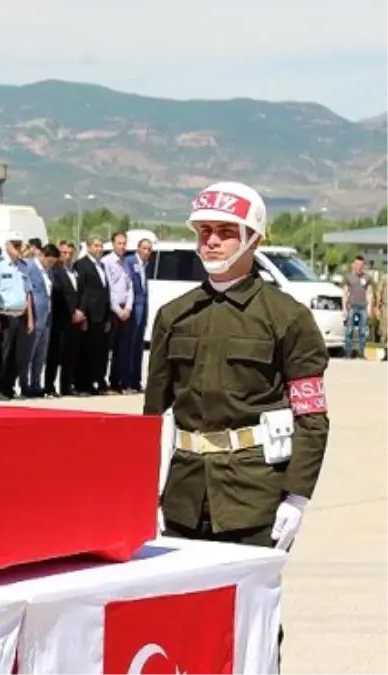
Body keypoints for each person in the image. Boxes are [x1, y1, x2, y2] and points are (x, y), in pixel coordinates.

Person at [146, 181, 329, 668]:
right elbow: (152, 416)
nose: (211, 242)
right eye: (204, 231)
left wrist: (297, 494)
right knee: (182, 617)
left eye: (226, 232)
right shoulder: (174, 315)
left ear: (255, 239)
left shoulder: (287, 318)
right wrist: (144, 491)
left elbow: (311, 416)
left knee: (254, 620)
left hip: (254, 494)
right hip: (184, 492)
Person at [0, 234, 33, 400]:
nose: (18, 248)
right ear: (7, 245)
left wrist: (30, 318)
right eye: (14, 245)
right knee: (2, 355)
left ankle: (9, 387)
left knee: (17, 355)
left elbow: (28, 293)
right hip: (4, 315)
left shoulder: (23, 266)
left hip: (20, 315)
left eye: (19, 245)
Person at [73, 237, 110, 395]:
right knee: (85, 351)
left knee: (97, 351)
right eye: (96, 246)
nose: (99, 249)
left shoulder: (101, 265)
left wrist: (107, 317)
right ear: (88, 247)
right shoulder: (82, 265)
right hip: (89, 315)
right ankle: (82, 384)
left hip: (101, 315)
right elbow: (82, 291)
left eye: (101, 246)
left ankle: (95, 381)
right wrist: (83, 314)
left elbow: (104, 292)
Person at [46, 241, 83, 397]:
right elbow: (59, 296)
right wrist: (71, 312)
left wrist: (80, 311)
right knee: (55, 355)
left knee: (70, 354)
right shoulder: (55, 273)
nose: (67, 257)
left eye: (70, 253)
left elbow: (79, 293)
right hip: (60, 319)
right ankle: (49, 386)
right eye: (64, 253)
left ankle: (66, 386)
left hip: (75, 320)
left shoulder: (75, 271)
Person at [21, 244, 56, 398]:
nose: (51, 264)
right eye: (49, 261)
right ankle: (24, 384)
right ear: (42, 255)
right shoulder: (29, 267)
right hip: (34, 316)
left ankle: (36, 383)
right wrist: (29, 317)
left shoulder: (48, 272)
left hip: (46, 316)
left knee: (40, 354)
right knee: (29, 352)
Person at [102, 231, 134, 394]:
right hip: (113, 310)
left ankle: (117, 381)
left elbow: (130, 287)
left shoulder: (126, 263)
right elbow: (108, 288)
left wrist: (128, 307)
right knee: (109, 348)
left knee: (122, 349)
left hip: (125, 309)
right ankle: (103, 381)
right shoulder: (107, 262)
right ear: (113, 244)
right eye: (119, 243)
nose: (122, 246)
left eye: (124, 243)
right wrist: (118, 309)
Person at [122, 238, 152, 392]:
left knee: (138, 346)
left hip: (143, 308)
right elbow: (128, 286)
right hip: (132, 308)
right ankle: (126, 381)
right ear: (138, 248)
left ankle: (136, 381)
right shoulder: (129, 261)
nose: (146, 252)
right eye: (144, 248)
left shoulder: (144, 265)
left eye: (149, 249)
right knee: (130, 345)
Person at [342, 256, 371, 358]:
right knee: (349, 330)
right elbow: (345, 293)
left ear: (363, 266)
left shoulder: (367, 277)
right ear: (353, 265)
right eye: (357, 264)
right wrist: (344, 308)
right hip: (352, 306)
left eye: (361, 265)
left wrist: (369, 307)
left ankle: (362, 353)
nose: (359, 267)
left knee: (362, 331)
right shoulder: (348, 277)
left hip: (363, 307)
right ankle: (348, 353)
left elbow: (368, 292)